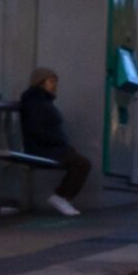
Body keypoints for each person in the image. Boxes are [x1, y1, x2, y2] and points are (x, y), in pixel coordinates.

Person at [18, 67, 92, 216]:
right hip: (44, 148)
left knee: (81, 162)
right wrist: (60, 145)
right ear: (40, 83)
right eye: (51, 81)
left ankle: (62, 197)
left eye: (55, 81)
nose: (55, 85)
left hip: (48, 147)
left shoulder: (41, 101)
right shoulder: (36, 102)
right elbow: (38, 130)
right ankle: (61, 197)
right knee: (81, 163)